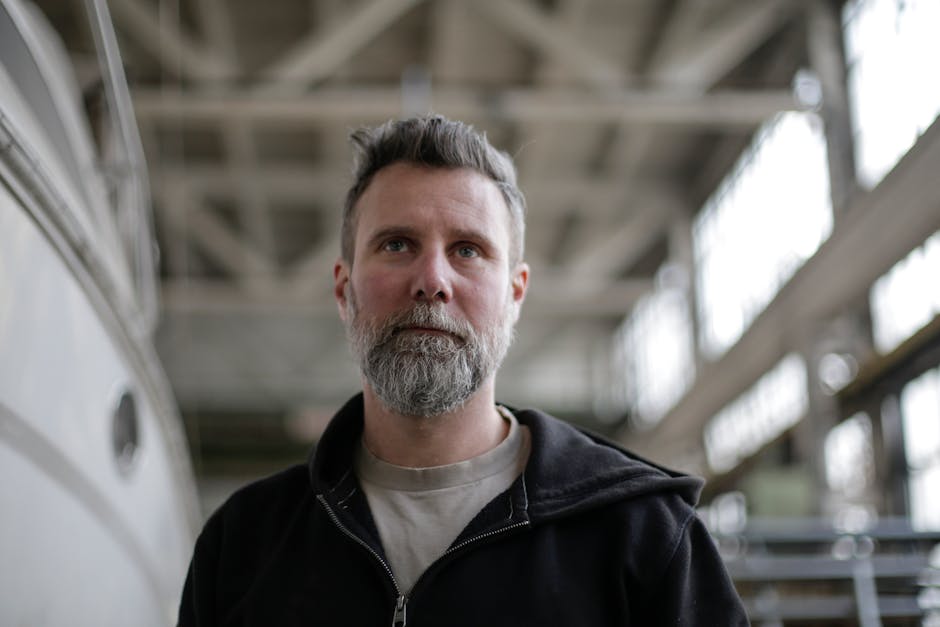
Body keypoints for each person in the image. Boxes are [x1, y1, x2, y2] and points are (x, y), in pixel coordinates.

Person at [177, 115, 749, 626]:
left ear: (515, 293)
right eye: (397, 244)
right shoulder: (242, 544)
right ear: (344, 289)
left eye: (468, 250)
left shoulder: (645, 535)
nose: (433, 280)